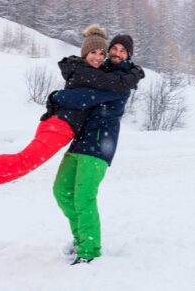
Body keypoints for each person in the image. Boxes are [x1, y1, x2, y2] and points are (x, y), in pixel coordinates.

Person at [0, 25, 143, 215]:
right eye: (93, 53)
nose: (98, 57)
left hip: (61, 127)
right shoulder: (86, 72)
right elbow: (91, 94)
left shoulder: (93, 73)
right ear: (84, 53)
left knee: (20, 168)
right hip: (60, 125)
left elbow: (105, 85)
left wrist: (130, 74)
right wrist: (133, 75)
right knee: (21, 162)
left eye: (101, 53)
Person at [52, 33, 139, 265]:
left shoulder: (122, 80)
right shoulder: (102, 72)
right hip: (79, 141)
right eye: (115, 48)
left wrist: (59, 96)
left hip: (100, 144)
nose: (117, 53)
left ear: (128, 55)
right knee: (61, 191)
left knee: (83, 197)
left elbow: (85, 96)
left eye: (123, 50)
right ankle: (81, 238)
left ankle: (89, 249)